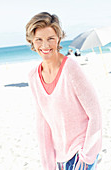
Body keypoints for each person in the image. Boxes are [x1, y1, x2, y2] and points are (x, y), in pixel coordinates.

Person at [26, 12, 102, 170]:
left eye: (50, 39)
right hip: (60, 158)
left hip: (80, 154)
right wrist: (48, 165)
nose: (45, 46)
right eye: (39, 39)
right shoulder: (33, 76)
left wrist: (87, 155)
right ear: (32, 42)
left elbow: (95, 113)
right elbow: (43, 124)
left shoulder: (70, 68)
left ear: (58, 39)